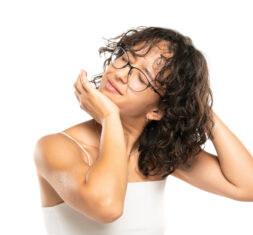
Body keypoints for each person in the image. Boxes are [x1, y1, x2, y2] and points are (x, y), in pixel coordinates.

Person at [33, 26, 253, 235]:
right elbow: (107, 207)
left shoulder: (157, 155)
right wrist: (110, 119)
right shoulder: (57, 146)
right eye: (125, 59)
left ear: (158, 110)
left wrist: (196, 102)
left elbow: (247, 185)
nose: (121, 74)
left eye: (142, 77)